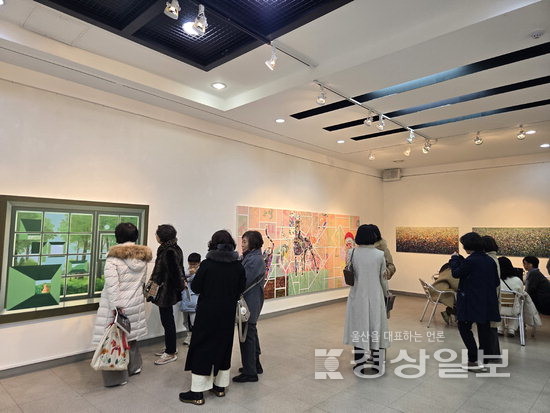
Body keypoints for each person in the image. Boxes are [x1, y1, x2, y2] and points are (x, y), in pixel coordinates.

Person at [180, 230, 246, 405]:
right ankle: (219, 387)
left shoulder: (207, 265)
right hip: (227, 313)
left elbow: (196, 287)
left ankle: (197, 393)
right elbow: (241, 288)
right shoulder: (238, 266)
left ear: (213, 244)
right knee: (224, 346)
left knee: (202, 347)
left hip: (207, 313)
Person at [91, 223, 152, 387]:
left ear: (118, 236)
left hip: (118, 306)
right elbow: (141, 282)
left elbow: (112, 285)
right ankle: (134, 367)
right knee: (131, 337)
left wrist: (117, 306)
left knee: (114, 340)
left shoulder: (113, 258)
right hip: (135, 303)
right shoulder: (142, 258)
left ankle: (117, 378)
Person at [343, 224, 390, 375]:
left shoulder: (351, 253)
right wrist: (386, 294)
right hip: (376, 296)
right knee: (377, 327)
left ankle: (359, 363)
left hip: (357, 295)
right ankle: (377, 363)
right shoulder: (379, 255)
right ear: (373, 237)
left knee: (359, 328)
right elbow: (383, 279)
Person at [450, 232, 500, 371]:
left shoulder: (471, 260)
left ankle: (473, 358)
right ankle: (483, 360)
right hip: (486, 301)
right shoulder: (489, 260)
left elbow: (456, 273)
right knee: (484, 331)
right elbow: (496, 282)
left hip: (470, 301)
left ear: (467, 246)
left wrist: (454, 259)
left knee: (463, 327)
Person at [233, 230, 266, 383]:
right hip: (250, 300)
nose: (242, 245)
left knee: (246, 335)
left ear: (252, 243)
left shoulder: (254, 260)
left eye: (245, 242)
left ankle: (250, 372)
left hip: (250, 301)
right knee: (250, 332)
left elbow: (243, 281)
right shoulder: (251, 257)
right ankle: (255, 365)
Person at [151, 224, 185, 365]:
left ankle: (170, 352)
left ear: (162, 236)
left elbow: (176, 273)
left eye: (157, 234)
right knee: (167, 320)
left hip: (166, 291)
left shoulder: (169, 251)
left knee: (167, 321)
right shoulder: (172, 248)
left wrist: (178, 288)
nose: (156, 236)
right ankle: (170, 347)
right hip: (166, 290)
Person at [497, 256, 524, 336]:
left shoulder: (496, 280)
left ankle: (500, 328)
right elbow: (521, 294)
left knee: (499, 302)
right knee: (517, 302)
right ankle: (511, 329)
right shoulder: (517, 280)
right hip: (513, 310)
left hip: (498, 309)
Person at [180, 253, 201, 345]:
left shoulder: (200, 272)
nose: (192, 266)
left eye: (194, 264)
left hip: (194, 300)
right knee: (185, 321)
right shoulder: (186, 271)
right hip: (185, 299)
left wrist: (192, 274)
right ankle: (189, 337)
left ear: (199, 263)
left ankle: (196, 339)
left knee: (194, 321)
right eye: (190, 264)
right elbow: (181, 279)